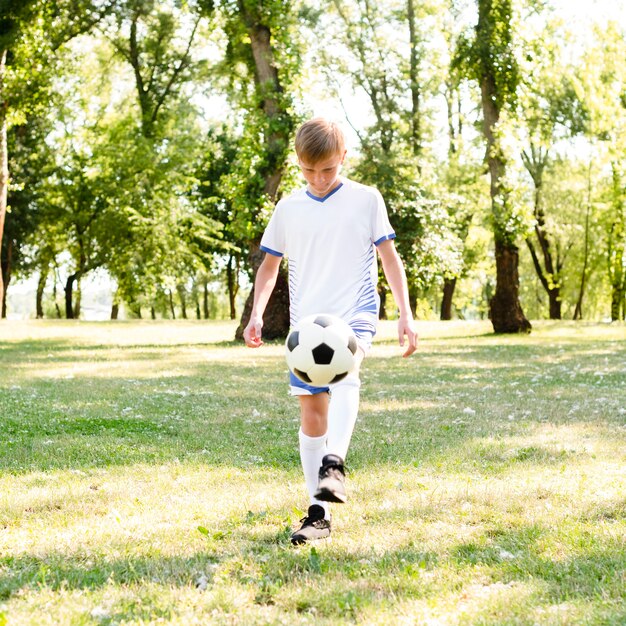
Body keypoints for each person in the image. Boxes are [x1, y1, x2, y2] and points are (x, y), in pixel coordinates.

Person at [243, 118, 418, 545]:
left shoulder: (365, 200)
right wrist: (256, 314)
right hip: (305, 329)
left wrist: (405, 312)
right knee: (311, 413)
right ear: (298, 164)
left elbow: (389, 258)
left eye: (327, 169)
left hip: (354, 314)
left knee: (346, 374)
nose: (319, 179)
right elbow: (269, 266)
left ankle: (335, 463)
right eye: (309, 170)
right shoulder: (288, 208)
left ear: (343, 158)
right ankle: (317, 515)